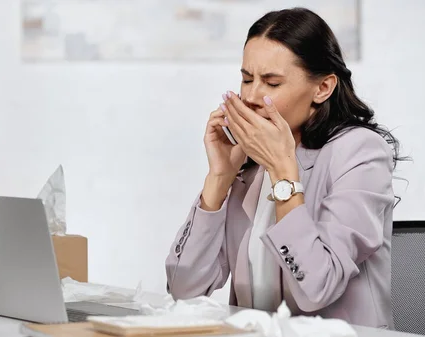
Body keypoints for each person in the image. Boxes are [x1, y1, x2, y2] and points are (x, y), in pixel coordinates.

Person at [165, 7, 403, 329]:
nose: (250, 96)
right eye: (247, 79)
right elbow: (184, 291)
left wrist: (282, 171)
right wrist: (219, 178)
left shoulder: (359, 152)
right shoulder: (247, 163)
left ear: (323, 88)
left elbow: (317, 288)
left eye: (271, 83)